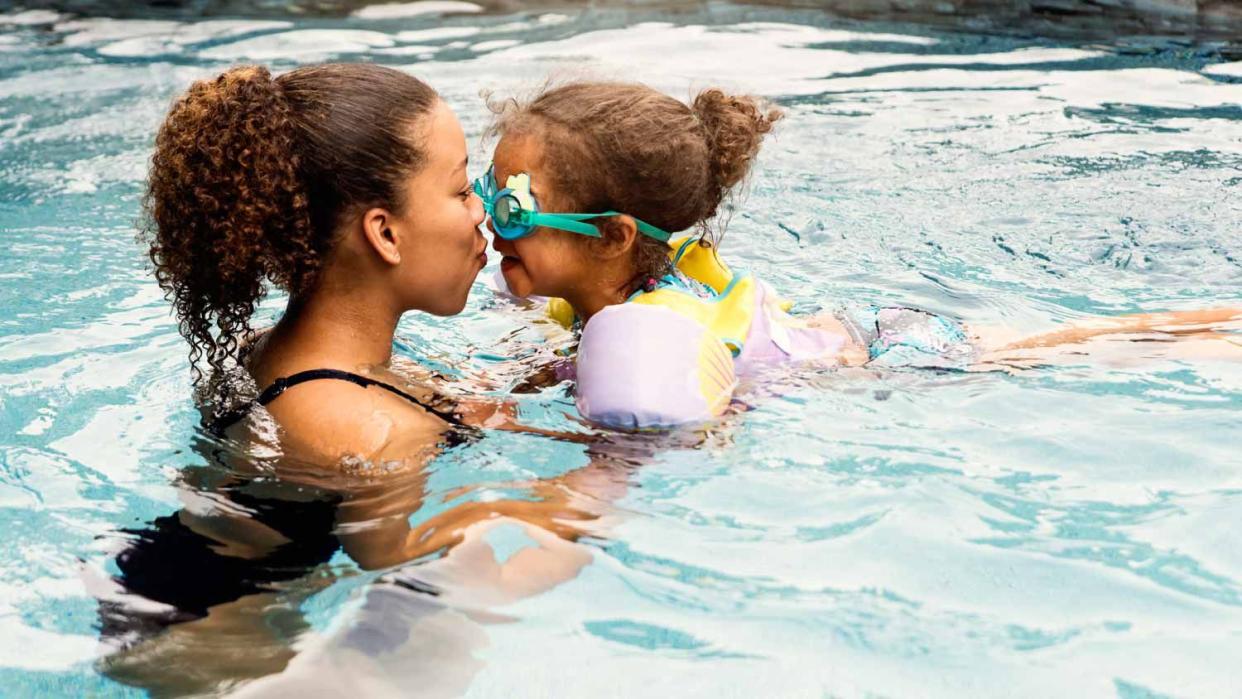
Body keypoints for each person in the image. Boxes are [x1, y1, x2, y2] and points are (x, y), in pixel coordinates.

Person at [477, 80, 1241, 427]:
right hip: (856, 329)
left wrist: (520, 422)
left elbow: (695, 426)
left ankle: (1218, 325)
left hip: (890, 353)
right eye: (481, 192)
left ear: (611, 237)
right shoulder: (602, 290)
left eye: (511, 206)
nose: (488, 221)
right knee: (1066, 342)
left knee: (1076, 347)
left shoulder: (655, 327)